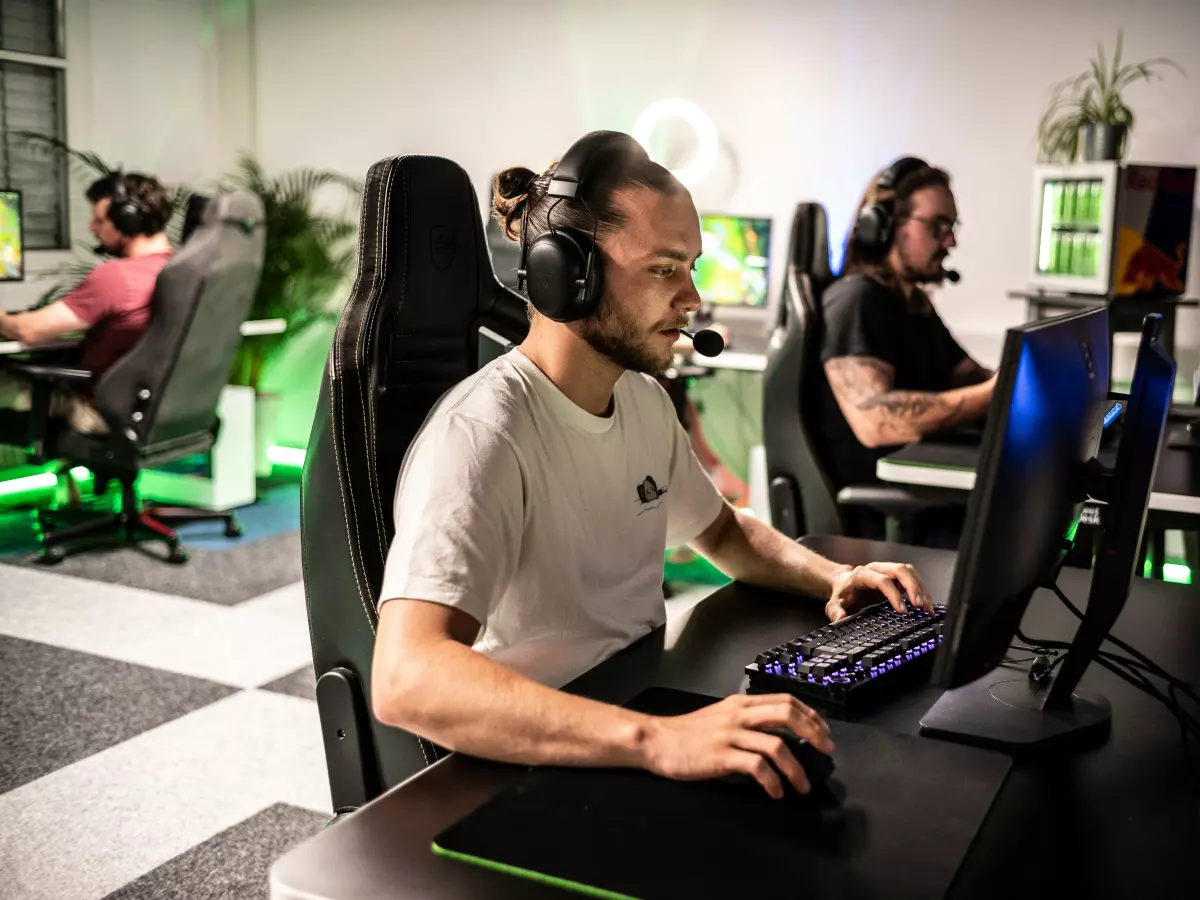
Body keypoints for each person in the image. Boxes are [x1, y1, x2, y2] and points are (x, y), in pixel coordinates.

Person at [371, 132, 934, 800]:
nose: (692, 298)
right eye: (666, 269)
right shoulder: (484, 435)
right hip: (534, 763)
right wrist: (657, 740)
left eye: (691, 268)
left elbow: (721, 532)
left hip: (630, 704)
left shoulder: (638, 399)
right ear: (566, 276)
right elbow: (407, 677)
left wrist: (834, 578)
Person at [815, 157, 996, 539]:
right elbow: (876, 423)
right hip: (888, 516)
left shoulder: (913, 304)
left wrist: (1031, 378)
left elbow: (968, 376)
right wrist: (999, 391)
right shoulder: (857, 301)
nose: (950, 241)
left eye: (952, 226)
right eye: (938, 226)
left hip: (923, 496)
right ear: (881, 226)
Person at [0, 173, 174, 439]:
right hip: (150, 410)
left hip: (96, 412)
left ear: (126, 220)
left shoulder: (119, 277)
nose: (92, 228)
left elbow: (27, 331)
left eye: (100, 220)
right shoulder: (181, 273)